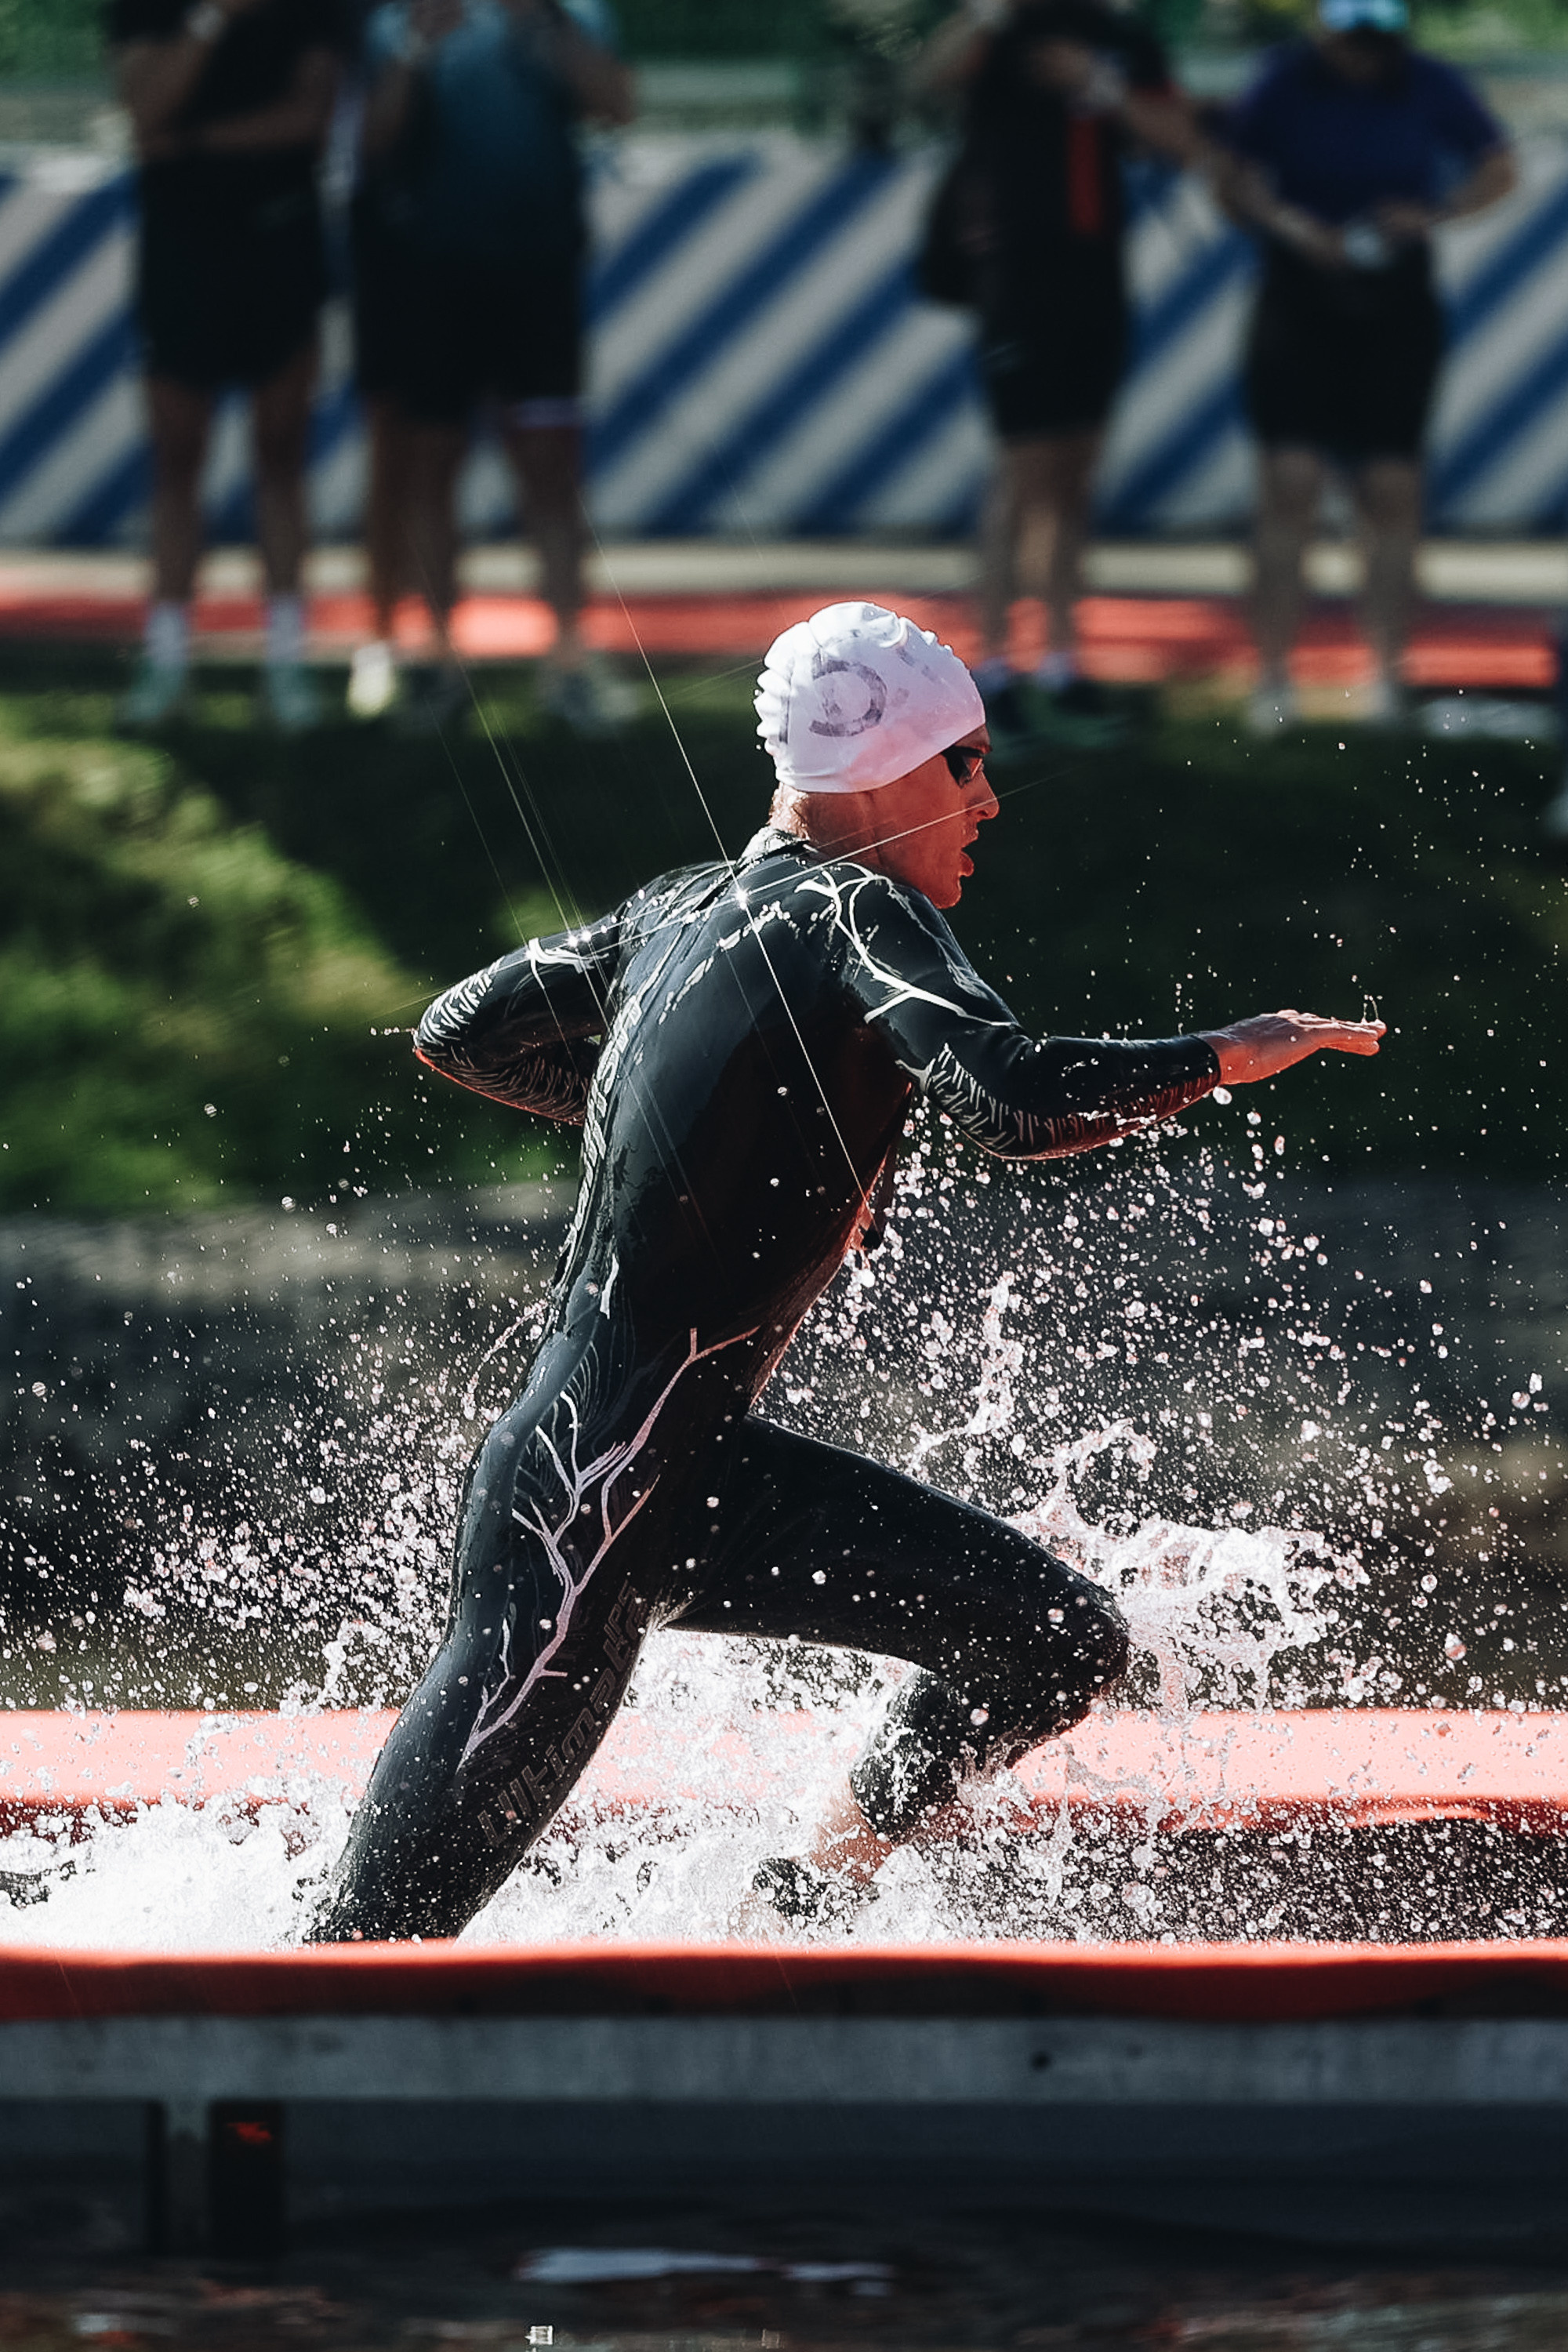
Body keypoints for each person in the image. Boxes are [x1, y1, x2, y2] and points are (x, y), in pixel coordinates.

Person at [304, 602, 1384, 1944]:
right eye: (963, 763)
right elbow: (1014, 1099)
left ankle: (805, 1893)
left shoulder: (677, 908)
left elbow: (463, 1028)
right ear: (878, 772)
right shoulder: (856, 906)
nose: (987, 800)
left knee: (1055, 1640)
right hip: (587, 1501)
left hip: (697, 1477)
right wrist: (1227, 1052)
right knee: (371, 1944)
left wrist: (710, 1132)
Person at [1218, 0, 1515, 736]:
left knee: (1391, 489)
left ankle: (1386, 676)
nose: (1360, 55)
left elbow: (1498, 167)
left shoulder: (1426, 81)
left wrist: (1433, 215)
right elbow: (1234, 176)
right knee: (1291, 484)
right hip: (1299, 293)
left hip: (1395, 300)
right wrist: (1292, 224)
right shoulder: (1284, 81)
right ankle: (1272, 676)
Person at [915, 0, 1199, 750]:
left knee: (1075, 475)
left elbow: (1179, 139)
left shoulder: (1120, 36)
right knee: (1022, 473)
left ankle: (1063, 662)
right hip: (1017, 280)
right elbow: (927, 81)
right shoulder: (1003, 30)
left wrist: (1100, 85)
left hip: (1094, 279)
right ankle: (993, 668)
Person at [348, 0, 635, 732]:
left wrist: (545, 25)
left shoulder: (570, 14)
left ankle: (567, 661)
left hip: (537, 274)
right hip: (433, 275)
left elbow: (616, 106)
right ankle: (439, 661)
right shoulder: (402, 20)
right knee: (431, 465)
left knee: (550, 468)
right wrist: (417, 48)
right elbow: (372, 142)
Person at [110, 0, 346, 735]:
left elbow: (309, 117)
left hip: (279, 246)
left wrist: (194, 138)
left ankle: (285, 661)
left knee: (281, 454)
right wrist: (212, 18)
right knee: (177, 458)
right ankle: (167, 660)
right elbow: (144, 111)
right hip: (182, 254)